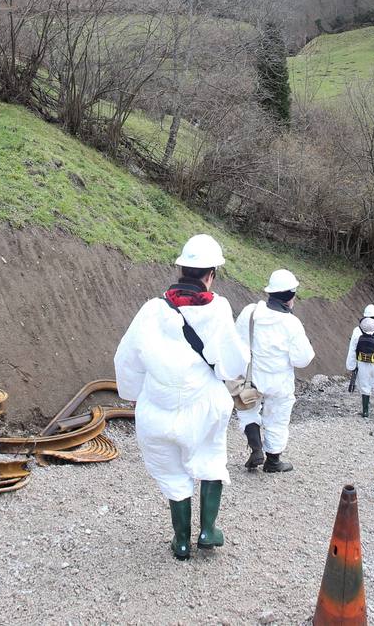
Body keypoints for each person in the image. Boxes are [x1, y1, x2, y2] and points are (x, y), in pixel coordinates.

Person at [114, 234, 248, 560]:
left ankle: (182, 541)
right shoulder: (218, 308)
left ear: (181, 269)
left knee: (173, 473)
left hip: (158, 411)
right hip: (204, 408)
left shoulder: (152, 310)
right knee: (211, 459)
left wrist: (133, 394)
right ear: (211, 274)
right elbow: (233, 365)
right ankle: (208, 530)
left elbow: (125, 358)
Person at [235, 268, 315, 474]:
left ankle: (256, 448)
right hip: (280, 383)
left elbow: (238, 341)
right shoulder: (291, 323)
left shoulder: (250, 312)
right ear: (291, 297)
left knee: (247, 410)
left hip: (251, 377)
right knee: (277, 418)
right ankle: (273, 461)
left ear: (270, 292)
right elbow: (302, 359)